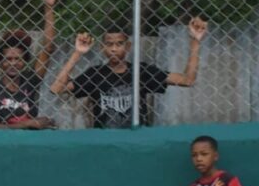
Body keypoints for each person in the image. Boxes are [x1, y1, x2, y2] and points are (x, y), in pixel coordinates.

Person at [49, 18, 208, 128]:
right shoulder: (95, 74)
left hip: (137, 138)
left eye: (119, 44)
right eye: (109, 44)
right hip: (104, 140)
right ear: (102, 48)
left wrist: (195, 41)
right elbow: (56, 88)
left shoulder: (141, 71)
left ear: (128, 46)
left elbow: (187, 80)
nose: (114, 48)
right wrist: (77, 53)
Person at [0, 0, 57, 130]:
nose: (13, 63)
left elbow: (48, 49)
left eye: (18, 59)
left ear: (24, 62)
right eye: (8, 59)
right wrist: (27, 123)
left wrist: (49, 7)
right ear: (1, 62)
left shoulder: (30, 82)